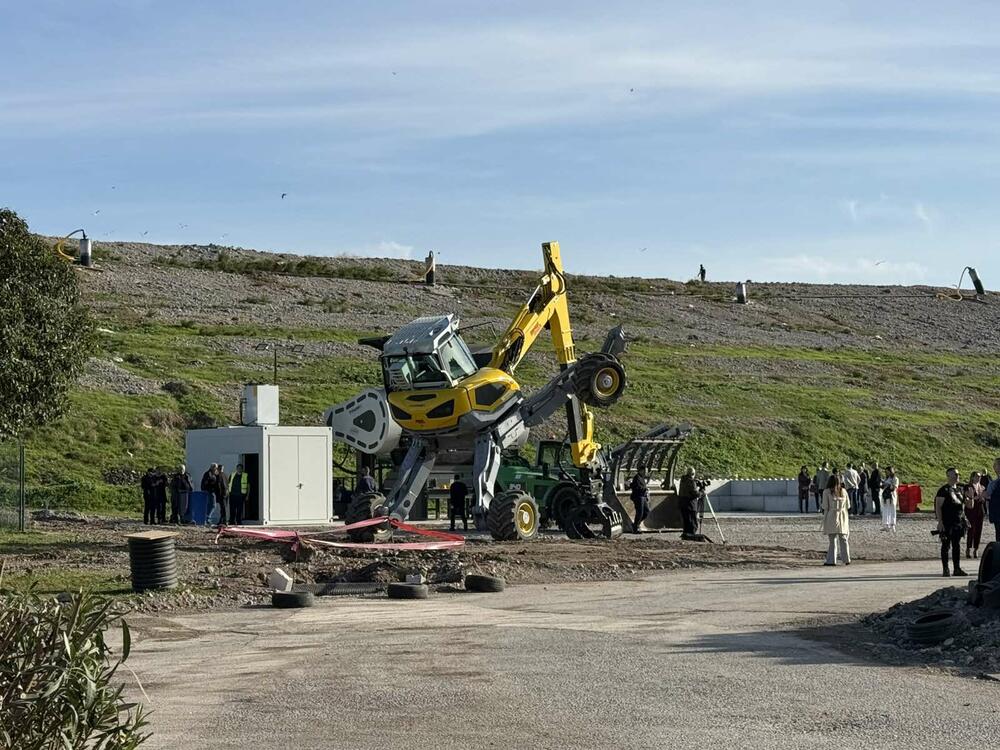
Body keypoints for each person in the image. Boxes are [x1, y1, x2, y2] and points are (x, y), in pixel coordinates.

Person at [934, 468, 969, 577]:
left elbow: (966, 506)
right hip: (947, 522)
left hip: (958, 522)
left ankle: (957, 568)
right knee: (946, 546)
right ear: (949, 476)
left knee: (956, 546)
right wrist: (940, 522)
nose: (958, 475)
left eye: (958, 474)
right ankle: (946, 569)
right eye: (955, 474)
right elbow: (938, 507)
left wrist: (970, 497)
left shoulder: (960, 489)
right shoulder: (943, 490)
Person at [822, 474, 851, 566]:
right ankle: (846, 559)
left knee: (832, 539)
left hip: (832, 515)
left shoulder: (826, 492)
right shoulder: (843, 491)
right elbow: (848, 505)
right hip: (842, 515)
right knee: (843, 538)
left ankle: (831, 560)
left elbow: (825, 506)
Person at [964, 471, 986, 559]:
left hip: (980, 510)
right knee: (971, 529)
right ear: (972, 477)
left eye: (980, 476)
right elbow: (967, 497)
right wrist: (975, 497)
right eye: (977, 476)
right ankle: (968, 548)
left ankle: (976, 548)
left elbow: (985, 497)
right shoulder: (968, 486)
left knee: (979, 530)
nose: (978, 477)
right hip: (971, 510)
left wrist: (983, 498)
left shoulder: (982, 487)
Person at [678, 466, 700, 537]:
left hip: (683, 503)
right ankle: (692, 535)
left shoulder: (683, 480)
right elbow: (695, 493)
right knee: (693, 521)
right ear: (693, 473)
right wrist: (701, 492)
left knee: (686, 521)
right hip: (690, 504)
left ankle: (686, 535)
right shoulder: (691, 482)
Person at [630, 465, 650, 533]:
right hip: (638, 497)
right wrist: (645, 489)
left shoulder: (642, 478)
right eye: (645, 471)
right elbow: (637, 488)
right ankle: (636, 527)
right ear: (641, 470)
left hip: (643, 497)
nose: (646, 472)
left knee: (646, 512)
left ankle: (636, 524)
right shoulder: (637, 478)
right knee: (640, 513)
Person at [880, 466, 899, 531]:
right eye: (886, 472)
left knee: (892, 510)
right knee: (885, 510)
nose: (886, 473)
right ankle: (886, 525)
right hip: (885, 496)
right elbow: (882, 487)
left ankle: (893, 525)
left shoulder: (895, 478)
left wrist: (888, 484)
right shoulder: (886, 479)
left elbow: (893, 488)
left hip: (892, 496)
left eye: (888, 472)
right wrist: (882, 484)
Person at [988, 458, 1000, 543]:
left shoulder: (995, 483)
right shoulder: (994, 482)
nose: (993, 467)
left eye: (995, 465)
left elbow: (987, 495)